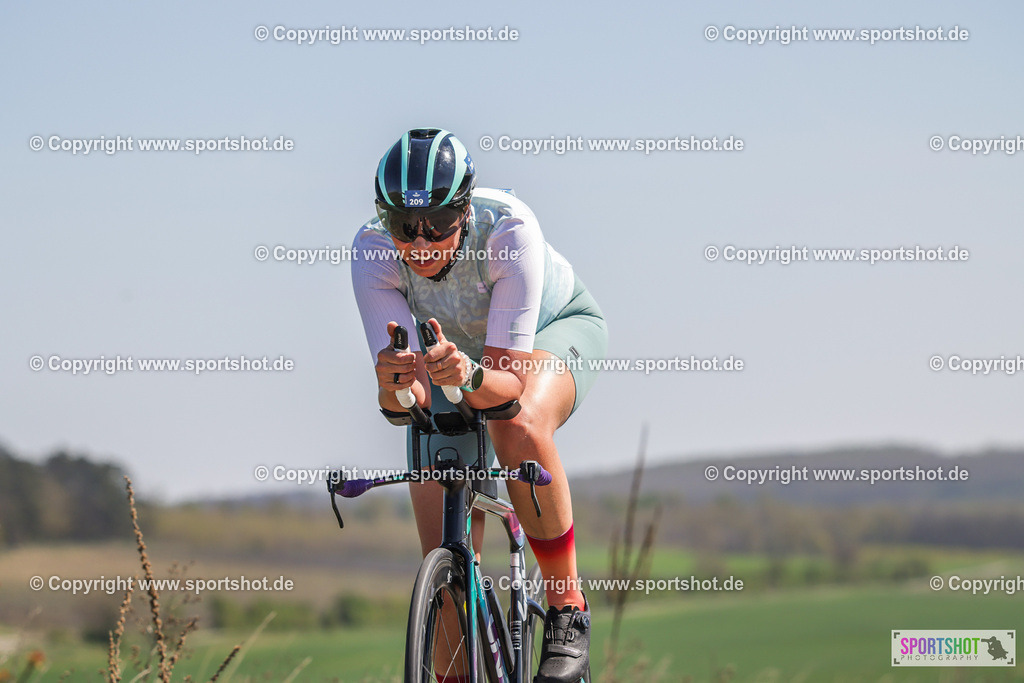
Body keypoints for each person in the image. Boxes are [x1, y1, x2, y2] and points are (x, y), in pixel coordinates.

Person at [352, 128, 607, 683]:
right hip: (457, 361)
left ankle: (567, 610)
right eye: (403, 226)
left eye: (437, 226)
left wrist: (466, 373)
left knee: (518, 424)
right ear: (384, 220)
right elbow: (407, 403)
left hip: (548, 333)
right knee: (442, 562)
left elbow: (506, 389)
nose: (419, 244)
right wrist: (393, 386)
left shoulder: (508, 231)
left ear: (464, 212)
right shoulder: (373, 252)